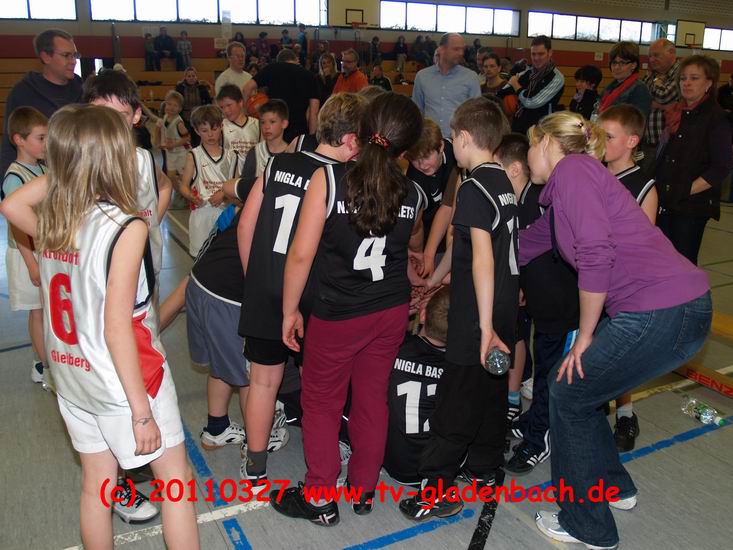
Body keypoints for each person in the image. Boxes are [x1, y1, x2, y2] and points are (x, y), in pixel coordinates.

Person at [9, 103, 200, 549]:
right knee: (176, 482)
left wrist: (69, 171)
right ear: (115, 157)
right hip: (122, 381)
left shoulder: (55, 219)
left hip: (70, 375)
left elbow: (12, 204)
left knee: (97, 484)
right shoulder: (124, 226)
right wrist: (141, 413)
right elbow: (117, 328)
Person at [517, 111, 711, 549]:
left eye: (529, 145)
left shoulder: (574, 171)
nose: (527, 157)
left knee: (568, 393)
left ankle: (587, 525)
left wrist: (585, 335)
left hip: (660, 310)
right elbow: (522, 246)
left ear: (546, 142)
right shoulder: (568, 195)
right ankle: (613, 487)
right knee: (583, 395)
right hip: (679, 309)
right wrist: (450, 267)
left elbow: (595, 252)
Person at [274, 93, 426, 524]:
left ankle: (320, 496)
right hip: (390, 310)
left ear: (360, 131)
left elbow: (300, 256)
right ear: (407, 147)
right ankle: (362, 488)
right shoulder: (414, 193)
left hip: (339, 312)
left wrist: (289, 310)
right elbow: (411, 244)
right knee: (372, 399)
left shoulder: (329, 179)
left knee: (321, 402)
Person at [236, 93, 365, 492]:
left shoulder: (277, 163)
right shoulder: (343, 179)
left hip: (265, 288)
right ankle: (325, 458)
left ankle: (255, 467)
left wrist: (256, 278)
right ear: (351, 140)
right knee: (319, 386)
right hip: (313, 296)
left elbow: (246, 225)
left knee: (263, 381)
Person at [400, 97, 516, 521]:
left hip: (476, 318)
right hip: (503, 306)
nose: (452, 145)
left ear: (464, 138)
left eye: (452, 138)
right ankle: (484, 467)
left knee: (455, 402)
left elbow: (482, 258)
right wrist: (434, 279)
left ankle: (435, 490)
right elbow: (466, 245)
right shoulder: (503, 181)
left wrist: (482, 327)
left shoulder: (472, 187)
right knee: (490, 391)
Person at [494, 133, 580, 475]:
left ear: (514, 169)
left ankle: (540, 439)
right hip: (544, 308)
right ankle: (535, 421)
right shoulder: (522, 201)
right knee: (543, 368)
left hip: (564, 311)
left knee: (553, 378)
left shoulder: (541, 201)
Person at [597, 104, 658, 452]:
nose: (601, 142)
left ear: (632, 141)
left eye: (608, 137)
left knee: (620, 356)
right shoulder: (593, 173)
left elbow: (643, 247)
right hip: (591, 280)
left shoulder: (644, 186)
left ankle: (625, 413)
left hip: (623, 286)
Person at [655, 55, 732, 265]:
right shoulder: (676, 113)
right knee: (662, 261)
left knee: (683, 264)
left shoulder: (717, 118)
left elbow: (721, 168)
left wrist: (685, 190)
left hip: (692, 206)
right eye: (683, 78)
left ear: (709, 84)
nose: (687, 83)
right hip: (666, 200)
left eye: (694, 78)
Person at [384, 286, 449, 486]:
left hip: (390, 460)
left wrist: (402, 313)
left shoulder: (396, 346)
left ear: (422, 316)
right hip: (428, 468)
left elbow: (380, 330)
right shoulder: (457, 368)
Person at [1, 107, 48, 386]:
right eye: (40, 138)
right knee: (38, 311)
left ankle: (45, 358)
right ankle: (43, 366)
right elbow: (18, 225)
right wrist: (31, 264)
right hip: (26, 255)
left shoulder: (42, 168)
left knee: (47, 309)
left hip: (44, 251)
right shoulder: (14, 177)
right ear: (19, 140)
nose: (46, 143)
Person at [1, 29, 82, 177]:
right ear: (46, 57)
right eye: (66, 55)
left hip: (80, 174)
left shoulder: (83, 90)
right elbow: (9, 143)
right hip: (40, 179)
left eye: (75, 55)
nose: (73, 61)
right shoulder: (23, 93)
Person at [179, 105, 238, 257]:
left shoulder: (232, 156)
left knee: (223, 258)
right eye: (204, 130)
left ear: (221, 127)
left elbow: (236, 187)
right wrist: (191, 197)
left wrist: (223, 194)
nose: (210, 134)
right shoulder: (193, 155)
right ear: (197, 131)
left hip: (224, 214)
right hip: (202, 214)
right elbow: (183, 186)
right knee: (199, 258)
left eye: (214, 128)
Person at [404, 118, 459, 268]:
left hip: (455, 225)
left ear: (441, 146)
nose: (422, 165)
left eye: (426, 157)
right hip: (429, 235)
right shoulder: (414, 180)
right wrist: (424, 254)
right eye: (415, 160)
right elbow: (416, 227)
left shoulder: (456, 151)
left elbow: (449, 208)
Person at [412, 33, 481, 137]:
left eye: (462, 49)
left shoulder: (471, 77)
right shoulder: (422, 76)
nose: (461, 53)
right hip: (429, 139)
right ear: (442, 49)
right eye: (456, 49)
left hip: (459, 140)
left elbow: (476, 113)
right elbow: (417, 110)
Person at [244, 48, 320, 142]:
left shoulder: (271, 68)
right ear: (296, 60)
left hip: (274, 128)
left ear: (278, 61)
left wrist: (245, 115)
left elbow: (246, 89)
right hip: (298, 132)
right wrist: (311, 139)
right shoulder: (310, 76)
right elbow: (314, 112)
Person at [228, 99, 290, 201]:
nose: (266, 127)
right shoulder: (255, 152)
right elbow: (244, 187)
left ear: (284, 123)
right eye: (263, 122)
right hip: (257, 206)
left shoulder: (292, 153)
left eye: (272, 122)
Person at [508, 35, 565, 136]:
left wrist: (515, 85)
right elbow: (507, 89)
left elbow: (531, 102)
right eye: (533, 54)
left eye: (541, 54)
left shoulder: (557, 78)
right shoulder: (528, 71)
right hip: (518, 127)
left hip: (540, 132)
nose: (536, 58)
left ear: (550, 53)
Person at [642, 39, 680, 175]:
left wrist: (656, 82)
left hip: (668, 144)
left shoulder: (680, 73)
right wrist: (660, 105)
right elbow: (642, 96)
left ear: (671, 52)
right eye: (650, 56)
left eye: (656, 55)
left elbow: (663, 96)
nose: (652, 59)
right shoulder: (654, 74)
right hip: (649, 141)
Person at [592, 41, 651, 121]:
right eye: (614, 63)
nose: (617, 67)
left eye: (622, 63)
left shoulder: (639, 89)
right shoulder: (609, 87)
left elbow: (637, 122)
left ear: (633, 65)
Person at [217, 84, 260, 170]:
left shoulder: (257, 124)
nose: (226, 110)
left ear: (240, 103)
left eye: (229, 105)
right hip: (230, 174)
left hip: (253, 173)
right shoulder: (220, 126)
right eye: (222, 107)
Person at [158, 91, 190, 204]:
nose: (171, 107)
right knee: (170, 176)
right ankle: (181, 192)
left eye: (175, 105)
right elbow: (166, 133)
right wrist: (162, 143)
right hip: (171, 152)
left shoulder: (179, 123)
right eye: (169, 104)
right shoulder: (165, 117)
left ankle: (188, 196)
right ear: (165, 104)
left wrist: (172, 145)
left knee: (182, 176)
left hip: (181, 152)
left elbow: (187, 138)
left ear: (180, 108)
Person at [176, 67, 213, 145]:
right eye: (189, 76)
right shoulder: (179, 88)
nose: (191, 78)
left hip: (199, 117)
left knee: (198, 139)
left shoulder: (202, 88)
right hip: (184, 118)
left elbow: (208, 103)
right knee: (186, 139)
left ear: (196, 77)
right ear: (185, 77)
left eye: (193, 76)